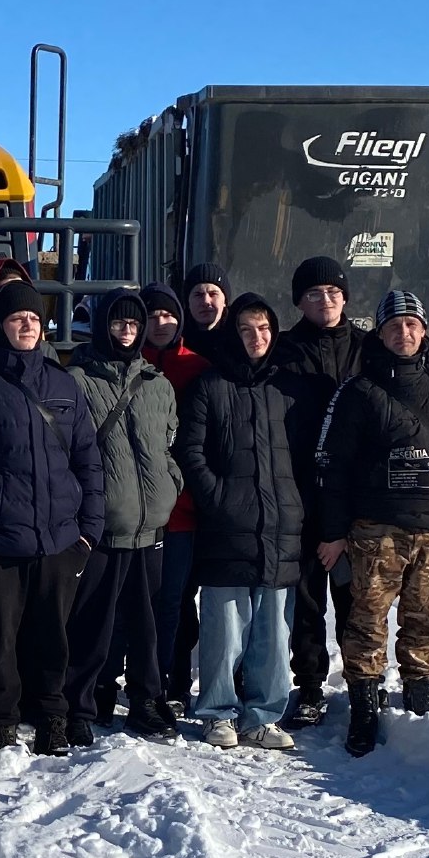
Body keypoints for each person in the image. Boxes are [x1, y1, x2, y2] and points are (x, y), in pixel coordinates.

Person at [0, 279, 105, 753]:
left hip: (58, 539)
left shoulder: (63, 382)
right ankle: (2, 718)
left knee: (53, 637)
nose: (27, 325)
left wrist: (88, 531)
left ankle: (51, 715)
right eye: (17, 319)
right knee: (0, 640)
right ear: (0, 326)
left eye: (33, 318)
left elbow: (88, 461)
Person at [316, 289, 429, 753]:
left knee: (426, 623)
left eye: (411, 325)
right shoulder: (358, 390)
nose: (403, 333)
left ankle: (419, 713)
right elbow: (333, 466)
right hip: (376, 531)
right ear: (381, 333)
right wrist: (333, 531)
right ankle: (364, 714)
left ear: (424, 330)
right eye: (393, 326)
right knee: (366, 623)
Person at [173, 294, 301, 750]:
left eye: (264, 328)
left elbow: (302, 456)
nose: (257, 337)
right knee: (225, 630)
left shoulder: (284, 388)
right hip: (228, 526)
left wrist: (296, 505)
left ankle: (263, 716)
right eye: (247, 329)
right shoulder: (211, 385)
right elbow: (190, 449)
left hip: (280, 527)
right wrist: (219, 499)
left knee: (273, 633)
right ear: (233, 332)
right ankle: (216, 711)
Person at [66, 290, 180, 741]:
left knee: (146, 622)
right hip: (103, 526)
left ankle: (146, 698)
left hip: (151, 525)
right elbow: (69, 452)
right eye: (118, 323)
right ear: (102, 326)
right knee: (94, 620)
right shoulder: (77, 380)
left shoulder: (158, 383)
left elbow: (168, 446)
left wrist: (172, 485)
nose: (128, 330)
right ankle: (83, 700)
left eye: (134, 323)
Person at [272, 255, 365, 730]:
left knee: (355, 597)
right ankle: (309, 687)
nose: (324, 301)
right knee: (307, 600)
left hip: (353, 498)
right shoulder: (283, 352)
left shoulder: (369, 349)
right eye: (312, 294)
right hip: (301, 492)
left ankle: (362, 684)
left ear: (345, 297)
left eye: (332, 292)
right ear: (299, 302)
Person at [140, 280, 206, 720]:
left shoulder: (198, 367)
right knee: (138, 600)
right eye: (152, 315)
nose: (161, 323)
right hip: (137, 508)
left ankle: (173, 680)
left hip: (182, 509)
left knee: (176, 600)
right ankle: (141, 678)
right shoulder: (130, 363)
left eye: (168, 315)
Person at [180, 263, 229, 355]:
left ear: (225, 301)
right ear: (188, 302)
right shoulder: (175, 341)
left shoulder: (241, 337)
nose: (206, 301)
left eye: (213, 294)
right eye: (198, 295)